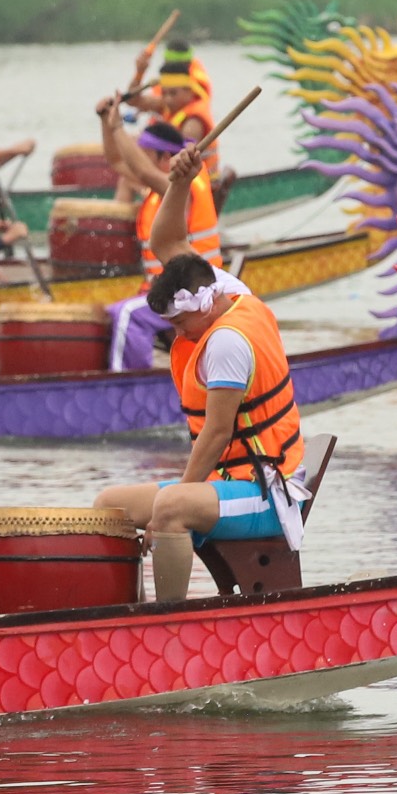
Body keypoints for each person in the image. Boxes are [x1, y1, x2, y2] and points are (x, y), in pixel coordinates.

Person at [92, 143, 306, 603]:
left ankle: (170, 621)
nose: (175, 335)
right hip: (231, 483)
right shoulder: (223, 288)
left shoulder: (227, 342)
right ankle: (122, 613)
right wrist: (179, 182)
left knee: (171, 506)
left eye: (179, 324)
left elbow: (214, 435)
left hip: (266, 490)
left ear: (204, 304)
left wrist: (178, 499)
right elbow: (165, 243)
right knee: (110, 505)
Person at [98, 93, 222, 273]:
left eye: (143, 155)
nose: (137, 160)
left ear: (165, 157)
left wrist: (117, 126)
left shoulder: (184, 184)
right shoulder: (163, 183)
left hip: (195, 285)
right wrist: (105, 119)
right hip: (165, 285)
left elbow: (144, 172)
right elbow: (116, 160)